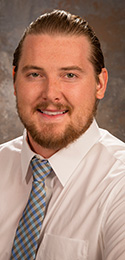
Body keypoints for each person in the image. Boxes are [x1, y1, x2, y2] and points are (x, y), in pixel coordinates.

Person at [0, 9, 124, 260]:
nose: (51, 94)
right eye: (35, 74)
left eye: (70, 75)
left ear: (100, 84)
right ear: (14, 81)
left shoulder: (120, 185)